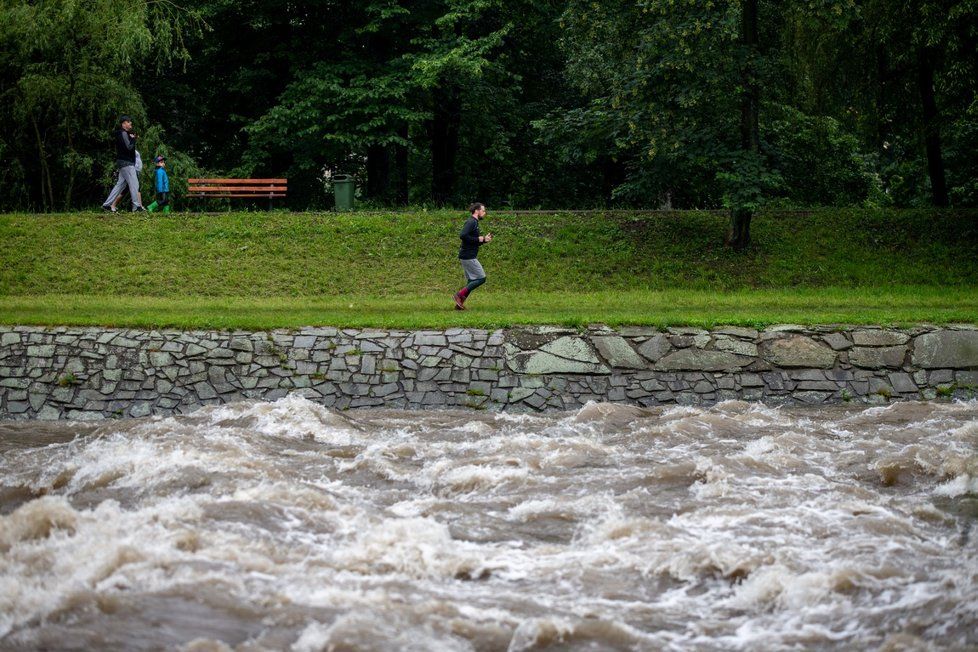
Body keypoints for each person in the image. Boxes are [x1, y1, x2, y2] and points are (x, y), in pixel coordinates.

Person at [453, 202, 492, 310]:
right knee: (481, 278)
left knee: (471, 280)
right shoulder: (471, 222)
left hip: (467, 255)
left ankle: (459, 304)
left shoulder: (475, 223)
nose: (484, 213)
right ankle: (459, 295)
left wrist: (484, 240)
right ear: (477, 211)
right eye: (483, 210)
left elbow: (472, 240)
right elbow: (463, 235)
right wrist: (479, 239)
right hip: (468, 256)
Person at [101, 115, 144, 212]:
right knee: (134, 184)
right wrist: (133, 139)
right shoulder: (123, 133)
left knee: (120, 185)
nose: (131, 123)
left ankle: (107, 205)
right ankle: (136, 207)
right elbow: (128, 147)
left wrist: (132, 138)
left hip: (123, 163)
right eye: (129, 122)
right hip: (126, 163)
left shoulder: (123, 134)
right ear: (124, 123)